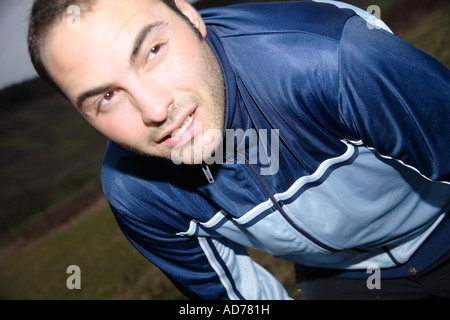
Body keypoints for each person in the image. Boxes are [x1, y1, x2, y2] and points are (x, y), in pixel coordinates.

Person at [27, 0, 450, 300]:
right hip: (336, 279)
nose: (156, 110)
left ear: (189, 15)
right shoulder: (134, 191)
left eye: (153, 51)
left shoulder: (332, 58)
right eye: (105, 98)